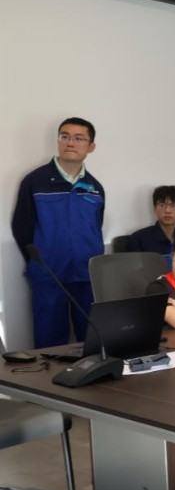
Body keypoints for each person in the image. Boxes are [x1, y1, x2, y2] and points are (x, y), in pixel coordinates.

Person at [13, 117, 105, 348]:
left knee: (92, 343)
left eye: (78, 138)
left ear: (91, 147)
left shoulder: (95, 188)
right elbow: (21, 227)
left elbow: (96, 227)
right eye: (65, 136)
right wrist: (40, 261)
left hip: (86, 276)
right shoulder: (35, 181)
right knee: (49, 346)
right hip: (49, 276)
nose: (70, 143)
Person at [126, 185, 175, 256]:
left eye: (173, 205)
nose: (167, 210)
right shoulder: (138, 239)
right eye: (162, 205)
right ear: (154, 209)